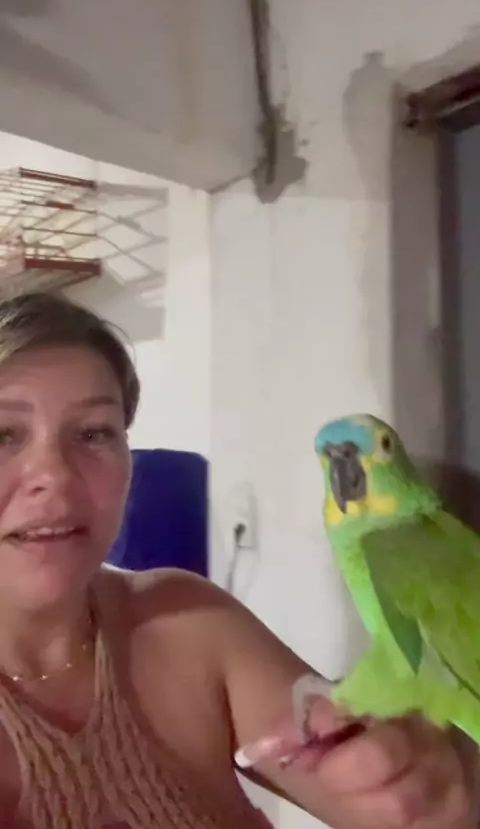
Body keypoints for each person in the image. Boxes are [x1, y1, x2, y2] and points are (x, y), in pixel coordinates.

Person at [0, 291, 475, 829]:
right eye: (3, 435)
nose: (55, 476)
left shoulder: (190, 621)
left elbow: (386, 792)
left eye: (93, 433)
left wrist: (430, 784)